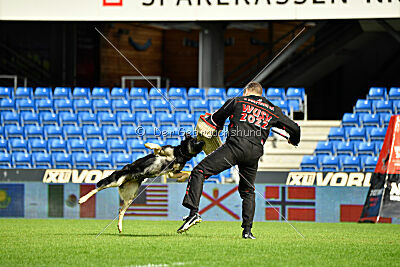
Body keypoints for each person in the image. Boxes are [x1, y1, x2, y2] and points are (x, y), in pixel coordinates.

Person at [177, 81, 301, 239]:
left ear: (247, 91)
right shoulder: (273, 110)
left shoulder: (237, 101)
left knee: (199, 171)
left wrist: (216, 126)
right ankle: (247, 231)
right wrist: (294, 140)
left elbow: (214, 122)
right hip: (254, 153)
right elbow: (295, 128)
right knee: (248, 191)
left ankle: (193, 213)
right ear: (260, 94)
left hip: (235, 147)